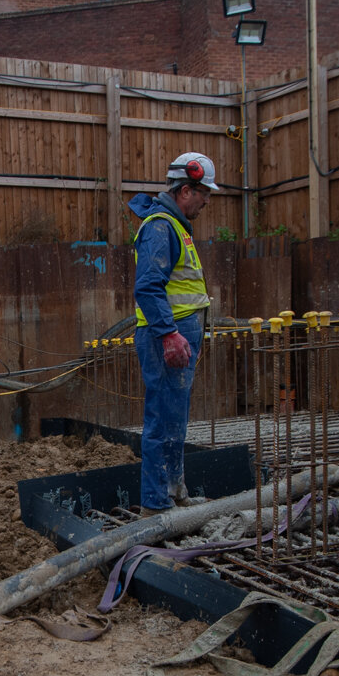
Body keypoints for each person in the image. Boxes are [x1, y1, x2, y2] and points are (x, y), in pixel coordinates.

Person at [128, 152, 217, 511]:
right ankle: (155, 503)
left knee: (175, 418)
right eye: (204, 193)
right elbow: (148, 287)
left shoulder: (175, 227)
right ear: (185, 190)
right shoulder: (160, 227)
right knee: (162, 419)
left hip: (175, 336)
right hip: (165, 337)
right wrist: (168, 333)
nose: (207, 201)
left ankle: (174, 491)